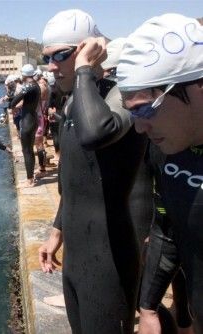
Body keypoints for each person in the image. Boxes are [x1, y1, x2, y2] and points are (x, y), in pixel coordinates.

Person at [37, 9, 150, 333]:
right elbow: (72, 180)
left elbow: (95, 134)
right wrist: (56, 231)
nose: (52, 65)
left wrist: (86, 69)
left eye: (61, 54)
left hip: (110, 258)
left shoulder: (123, 96)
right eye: (47, 57)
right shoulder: (74, 101)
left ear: (90, 48)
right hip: (76, 258)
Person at [117, 13, 203, 333]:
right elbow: (168, 228)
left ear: (198, 86)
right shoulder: (165, 149)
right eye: (131, 113)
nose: (139, 127)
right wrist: (148, 307)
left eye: (144, 109)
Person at [9, 64, 41, 187]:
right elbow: (26, 101)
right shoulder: (36, 85)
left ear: (24, 74)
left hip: (28, 122)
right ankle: (30, 177)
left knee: (26, 151)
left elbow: (15, 100)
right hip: (32, 119)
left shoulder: (29, 86)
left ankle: (30, 180)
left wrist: (13, 106)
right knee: (29, 151)